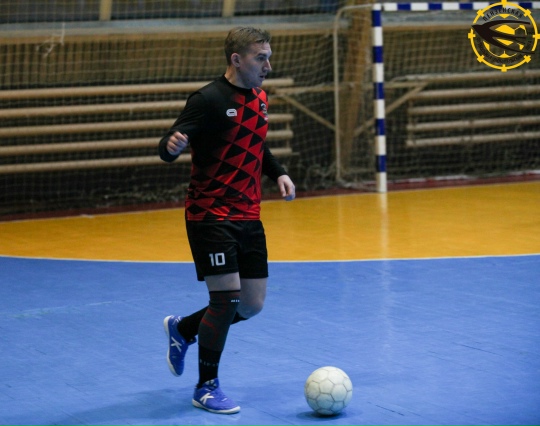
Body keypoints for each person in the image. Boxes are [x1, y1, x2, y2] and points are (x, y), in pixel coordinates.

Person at [158, 26, 295, 415]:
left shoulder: (260, 99)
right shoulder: (208, 99)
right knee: (226, 299)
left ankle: (183, 329)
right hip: (210, 214)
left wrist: (278, 172)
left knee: (251, 305)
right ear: (236, 60)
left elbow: (257, 144)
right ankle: (206, 387)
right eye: (260, 58)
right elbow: (168, 145)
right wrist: (171, 146)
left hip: (249, 214)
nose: (268, 66)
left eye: (269, 57)